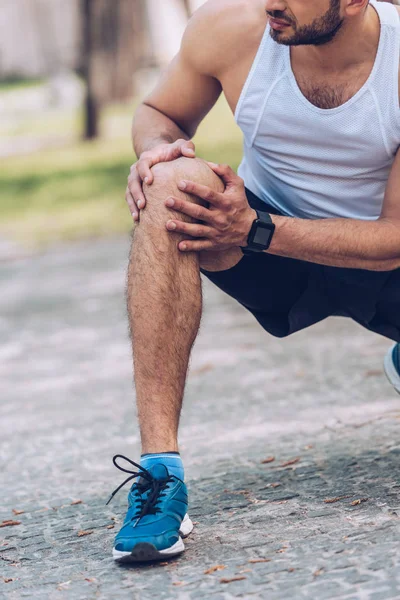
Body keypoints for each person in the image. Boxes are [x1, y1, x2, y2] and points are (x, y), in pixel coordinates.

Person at [108, 0, 400, 563]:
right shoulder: (230, 29)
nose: (271, 2)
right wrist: (155, 151)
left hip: (377, 261)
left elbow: (394, 238)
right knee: (171, 187)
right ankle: (159, 477)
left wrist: (258, 230)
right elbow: (157, 109)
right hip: (266, 248)